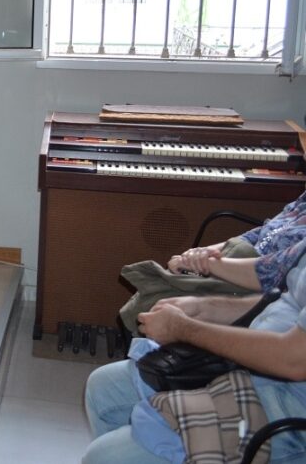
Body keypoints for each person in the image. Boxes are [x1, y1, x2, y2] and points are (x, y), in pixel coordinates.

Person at [83, 243, 306, 463]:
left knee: (104, 457)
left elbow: (295, 359)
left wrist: (183, 329)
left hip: (288, 405)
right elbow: (282, 295)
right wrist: (206, 307)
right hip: (254, 368)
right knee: (105, 388)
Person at [169, 190, 306, 292]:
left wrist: (205, 263)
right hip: (234, 268)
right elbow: (260, 234)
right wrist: (199, 254)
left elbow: (273, 273)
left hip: (260, 291)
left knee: (162, 299)